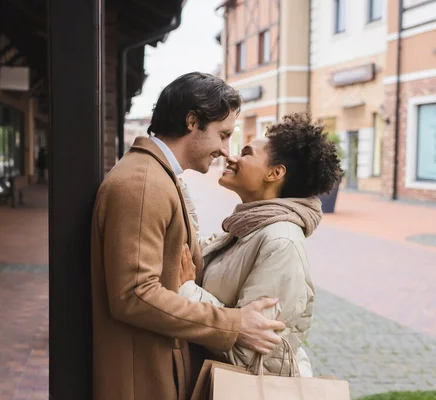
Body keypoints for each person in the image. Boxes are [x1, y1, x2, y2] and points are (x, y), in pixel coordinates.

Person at [90, 72, 287, 400]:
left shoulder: (152, 176)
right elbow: (134, 295)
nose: (226, 150)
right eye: (223, 135)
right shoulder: (143, 184)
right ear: (192, 121)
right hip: (142, 379)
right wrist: (233, 324)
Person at [179, 113, 342, 377]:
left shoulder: (280, 241)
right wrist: (175, 183)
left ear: (274, 173)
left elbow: (252, 352)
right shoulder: (250, 228)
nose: (231, 157)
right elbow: (196, 249)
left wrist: (187, 291)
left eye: (246, 153)